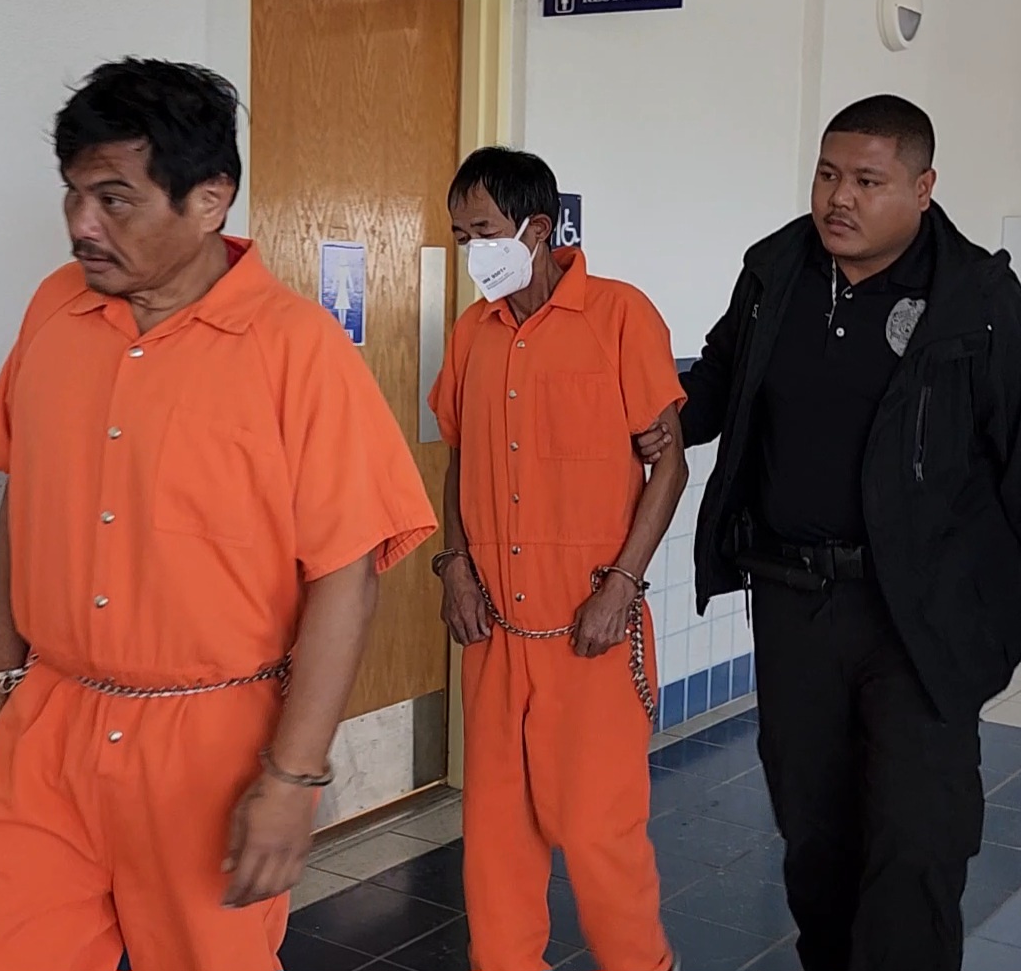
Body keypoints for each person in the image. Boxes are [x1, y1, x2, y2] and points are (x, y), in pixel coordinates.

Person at [0, 59, 437, 971]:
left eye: (115, 199)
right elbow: (26, 490)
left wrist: (293, 775)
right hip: (48, 723)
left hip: (211, 744)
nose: (83, 225)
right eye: (74, 194)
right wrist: (1, 674)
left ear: (210, 199)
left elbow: (346, 575)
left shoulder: (297, 352)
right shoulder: (55, 310)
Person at [638, 95, 1021, 971]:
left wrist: (997, 614)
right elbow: (723, 381)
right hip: (795, 601)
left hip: (923, 616)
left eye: (867, 181)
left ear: (923, 188)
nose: (837, 198)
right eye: (827, 174)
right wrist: (651, 416)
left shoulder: (980, 300)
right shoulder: (777, 271)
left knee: (918, 840)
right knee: (814, 838)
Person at [428, 147, 687, 971]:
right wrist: (455, 563)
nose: (474, 251)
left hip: (592, 635)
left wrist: (622, 584)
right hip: (495, 634)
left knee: (599, 833)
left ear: (537, 229)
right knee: (496, 839)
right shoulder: (473, 332)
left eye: (485, 231)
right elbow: (459, 458)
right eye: (461, 234)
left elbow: (669, 463)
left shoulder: (619, 316)